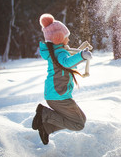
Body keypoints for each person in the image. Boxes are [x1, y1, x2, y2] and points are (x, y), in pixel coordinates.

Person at [32, 13, 93, 145]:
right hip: (58, 96)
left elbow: (67, 62)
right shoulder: (60, 53)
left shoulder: (56, 51)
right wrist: (82, 55)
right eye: (67, 37)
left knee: (81, 119)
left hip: (56, 95)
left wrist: (80, 56)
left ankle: (46, 127)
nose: (68, 40)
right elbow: (66, 62)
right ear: (59, 38)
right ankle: (44, 115)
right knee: (78, 124)